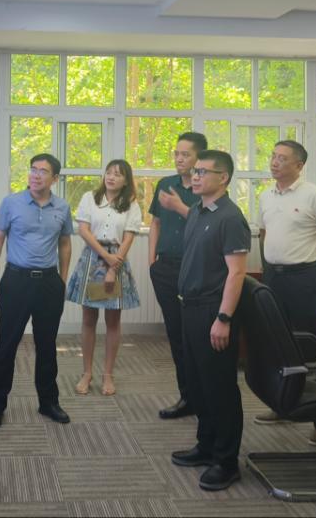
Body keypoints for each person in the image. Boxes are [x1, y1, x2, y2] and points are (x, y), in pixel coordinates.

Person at [158, 150, 249, 491]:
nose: (194, 177)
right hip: (190, 308)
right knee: (197, 382)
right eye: (194, 171)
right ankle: (206, 446)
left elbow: (236, 273)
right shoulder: (197, 210)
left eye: (202, 172)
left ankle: (227, 461)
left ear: (223, 178)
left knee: (219, 387)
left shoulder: (230, 217)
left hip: (214, 310)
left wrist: (224, 318)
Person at [254, 140, 316, 439]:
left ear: (299, 165)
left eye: (282, 158)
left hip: (304, 277)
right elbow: (264, 235)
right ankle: (282, 405)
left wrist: (313, 265)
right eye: (273, 156)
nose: (274, 162)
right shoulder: (265, 196)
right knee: (276, 342)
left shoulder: (314, 194)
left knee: (309, 343)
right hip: (273, 277)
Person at [0, 153, 74, 430]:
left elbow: (65, 243)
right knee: (6, 345)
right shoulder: (11, 203)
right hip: (16, 281)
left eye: (43, 171)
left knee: (47, 346)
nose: (36, 175)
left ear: (54, 178)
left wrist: (62, 280)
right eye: (33, 169)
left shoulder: (62, 207)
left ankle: (48, 402)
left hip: (48, 283)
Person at [66, 159, 142, 396]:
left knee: (113, 321)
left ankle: (108, 375)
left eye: (117, 174)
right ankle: (87, 373)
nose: (111, 177)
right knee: (88, 319)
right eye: (108, 172)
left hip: (117, 261)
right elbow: (83, 230)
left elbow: (128, 238)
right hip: (92, 260)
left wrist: (112, 267)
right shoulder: (90, 198)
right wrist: (104, 257)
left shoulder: (131, 204)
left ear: (126, 180)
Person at [147, 131, 207, 419]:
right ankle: (187, 397)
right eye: (176, 154)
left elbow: (207, 224)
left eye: (185, 154)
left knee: (194, 334)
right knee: (175, 334)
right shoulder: (165, 184)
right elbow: (156, 223)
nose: (179, 159)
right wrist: (152, 261)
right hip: (165, 267)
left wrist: (179, 207)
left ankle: (203, 396)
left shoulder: (205, 187)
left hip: (194, 269)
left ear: (199, 158)